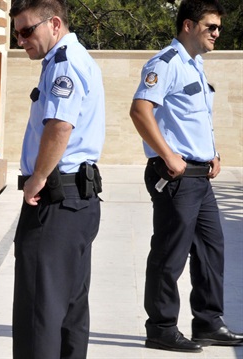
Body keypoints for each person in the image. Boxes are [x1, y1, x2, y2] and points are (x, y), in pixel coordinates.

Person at [129, 0, 243, 353]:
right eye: (211, 27)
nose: (217, 33)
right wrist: (169, 156)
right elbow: (140, 110)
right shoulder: (166, 63)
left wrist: (213, 153)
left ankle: (208, 322)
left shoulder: (195, 64)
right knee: (169, 253)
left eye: (220, 28)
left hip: (199, 176)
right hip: (176, 177)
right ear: (189, 25)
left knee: (212, 249)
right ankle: (161, 327)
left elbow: (193, 120)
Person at [9, 0, 105, 358]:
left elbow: (60, 126)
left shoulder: (64, 63)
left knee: (40, 313)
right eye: (16, 33)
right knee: (68, 312)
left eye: (26, 30)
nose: (21, 40)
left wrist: (38, 177)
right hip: (77, 201)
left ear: (54, 24)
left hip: (57, 203)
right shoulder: (70, 59)